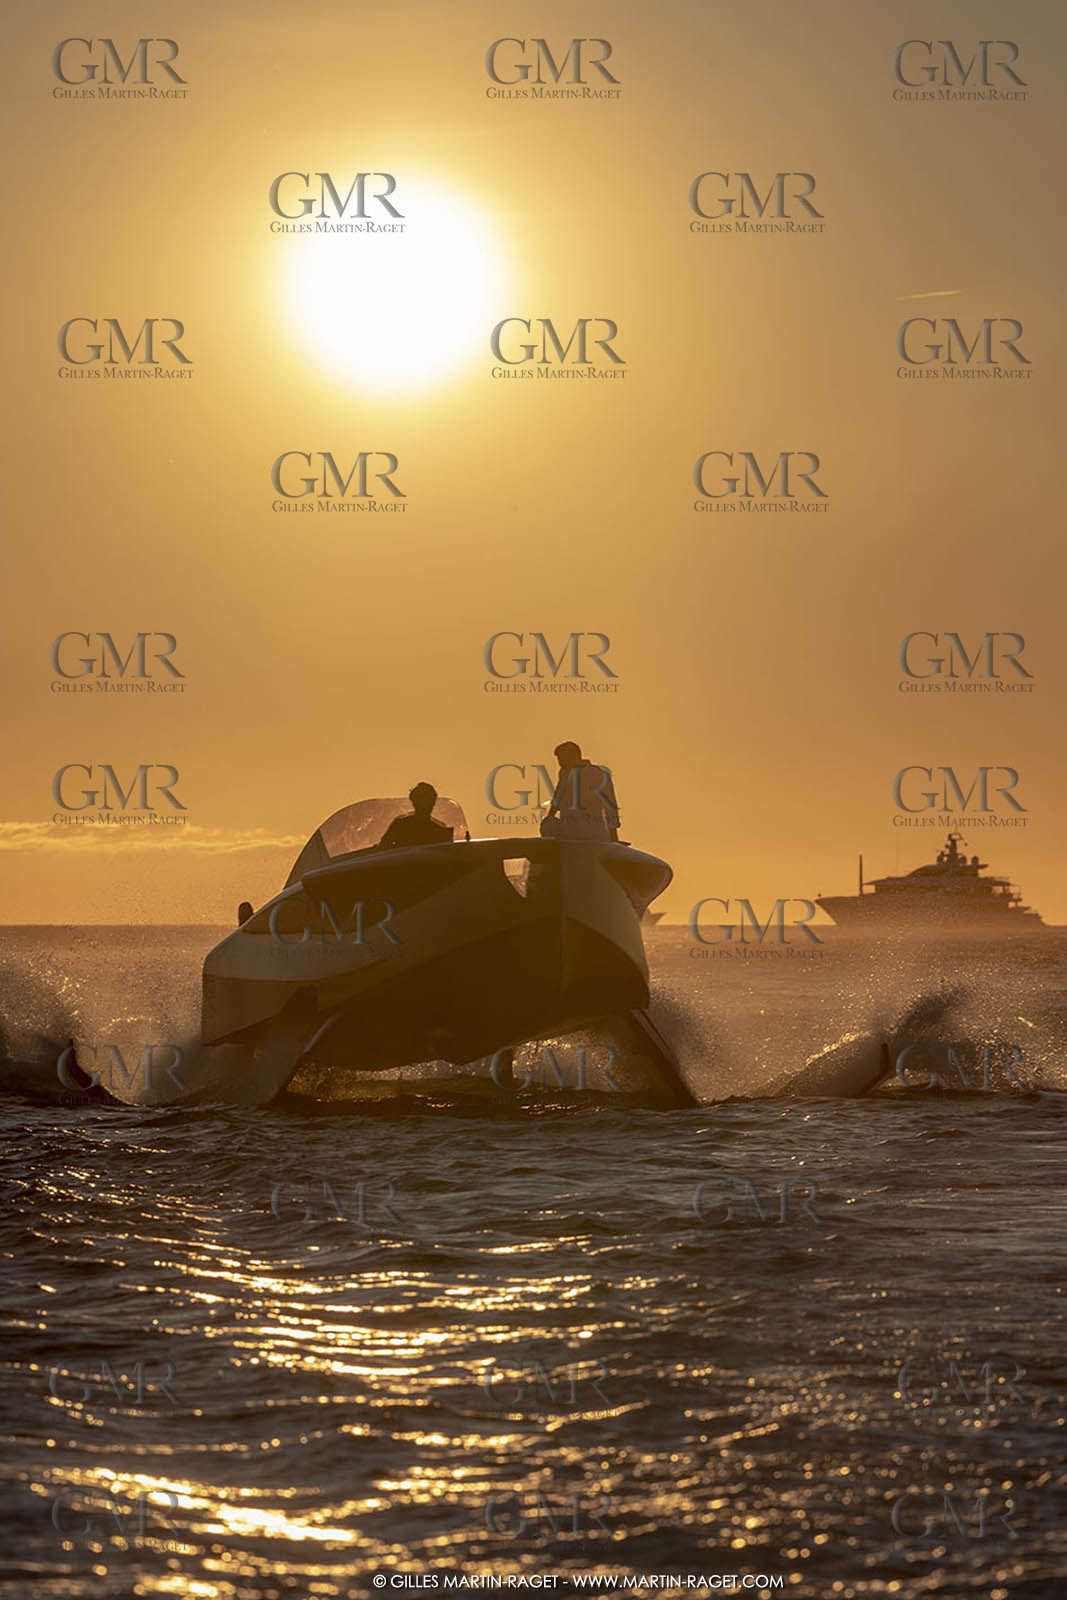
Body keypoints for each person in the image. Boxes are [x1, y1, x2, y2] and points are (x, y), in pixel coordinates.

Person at [540, 741, 620, 841]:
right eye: (559, 760)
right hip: (568, 832)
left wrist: (614, 838)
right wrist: (548, 821)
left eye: (562, 760)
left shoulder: (598, 774)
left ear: (574, 757)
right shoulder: (564, 774)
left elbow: (611, 807)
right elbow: (557, 800)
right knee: (548, 823)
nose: (560, 764)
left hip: (592, 833)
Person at [378, 783, 454, 849]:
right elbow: (383, 849)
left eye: (429, 800)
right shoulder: (400, 825)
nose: (427, 804)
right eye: (421, 800)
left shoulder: (441, 830)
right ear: (414, 802)